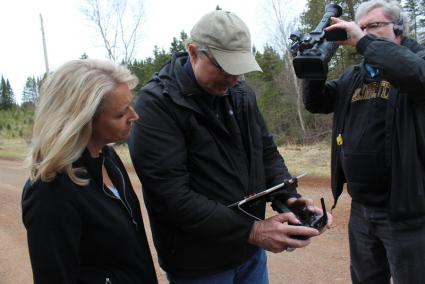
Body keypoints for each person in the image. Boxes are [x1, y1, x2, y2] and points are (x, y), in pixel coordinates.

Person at [128, 10, 331, 284]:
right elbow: (171, 196)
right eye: (225, 67)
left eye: (240, 68)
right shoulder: (157, 105)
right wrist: (253, 230)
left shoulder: (240, 92)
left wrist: (289, 197)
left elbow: (265, 152)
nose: (234, 79)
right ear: (193, 52)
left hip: (248, 252)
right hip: (198, 261)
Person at [302, 0, 425, 283]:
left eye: (374, 26)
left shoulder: (417, 63)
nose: (365, 32)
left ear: (398, 28)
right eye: (362, 27)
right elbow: (316, 102)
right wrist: (314, 62)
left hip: (407, 211)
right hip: (362, 210)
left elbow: (416, 76)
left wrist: (363, 41)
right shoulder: (354, 76)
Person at [22, 59, 158, 284]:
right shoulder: (49, 192)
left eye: (130, 105)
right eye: (120, 113)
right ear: (82, 121)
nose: (135, 116)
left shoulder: (108, 158)